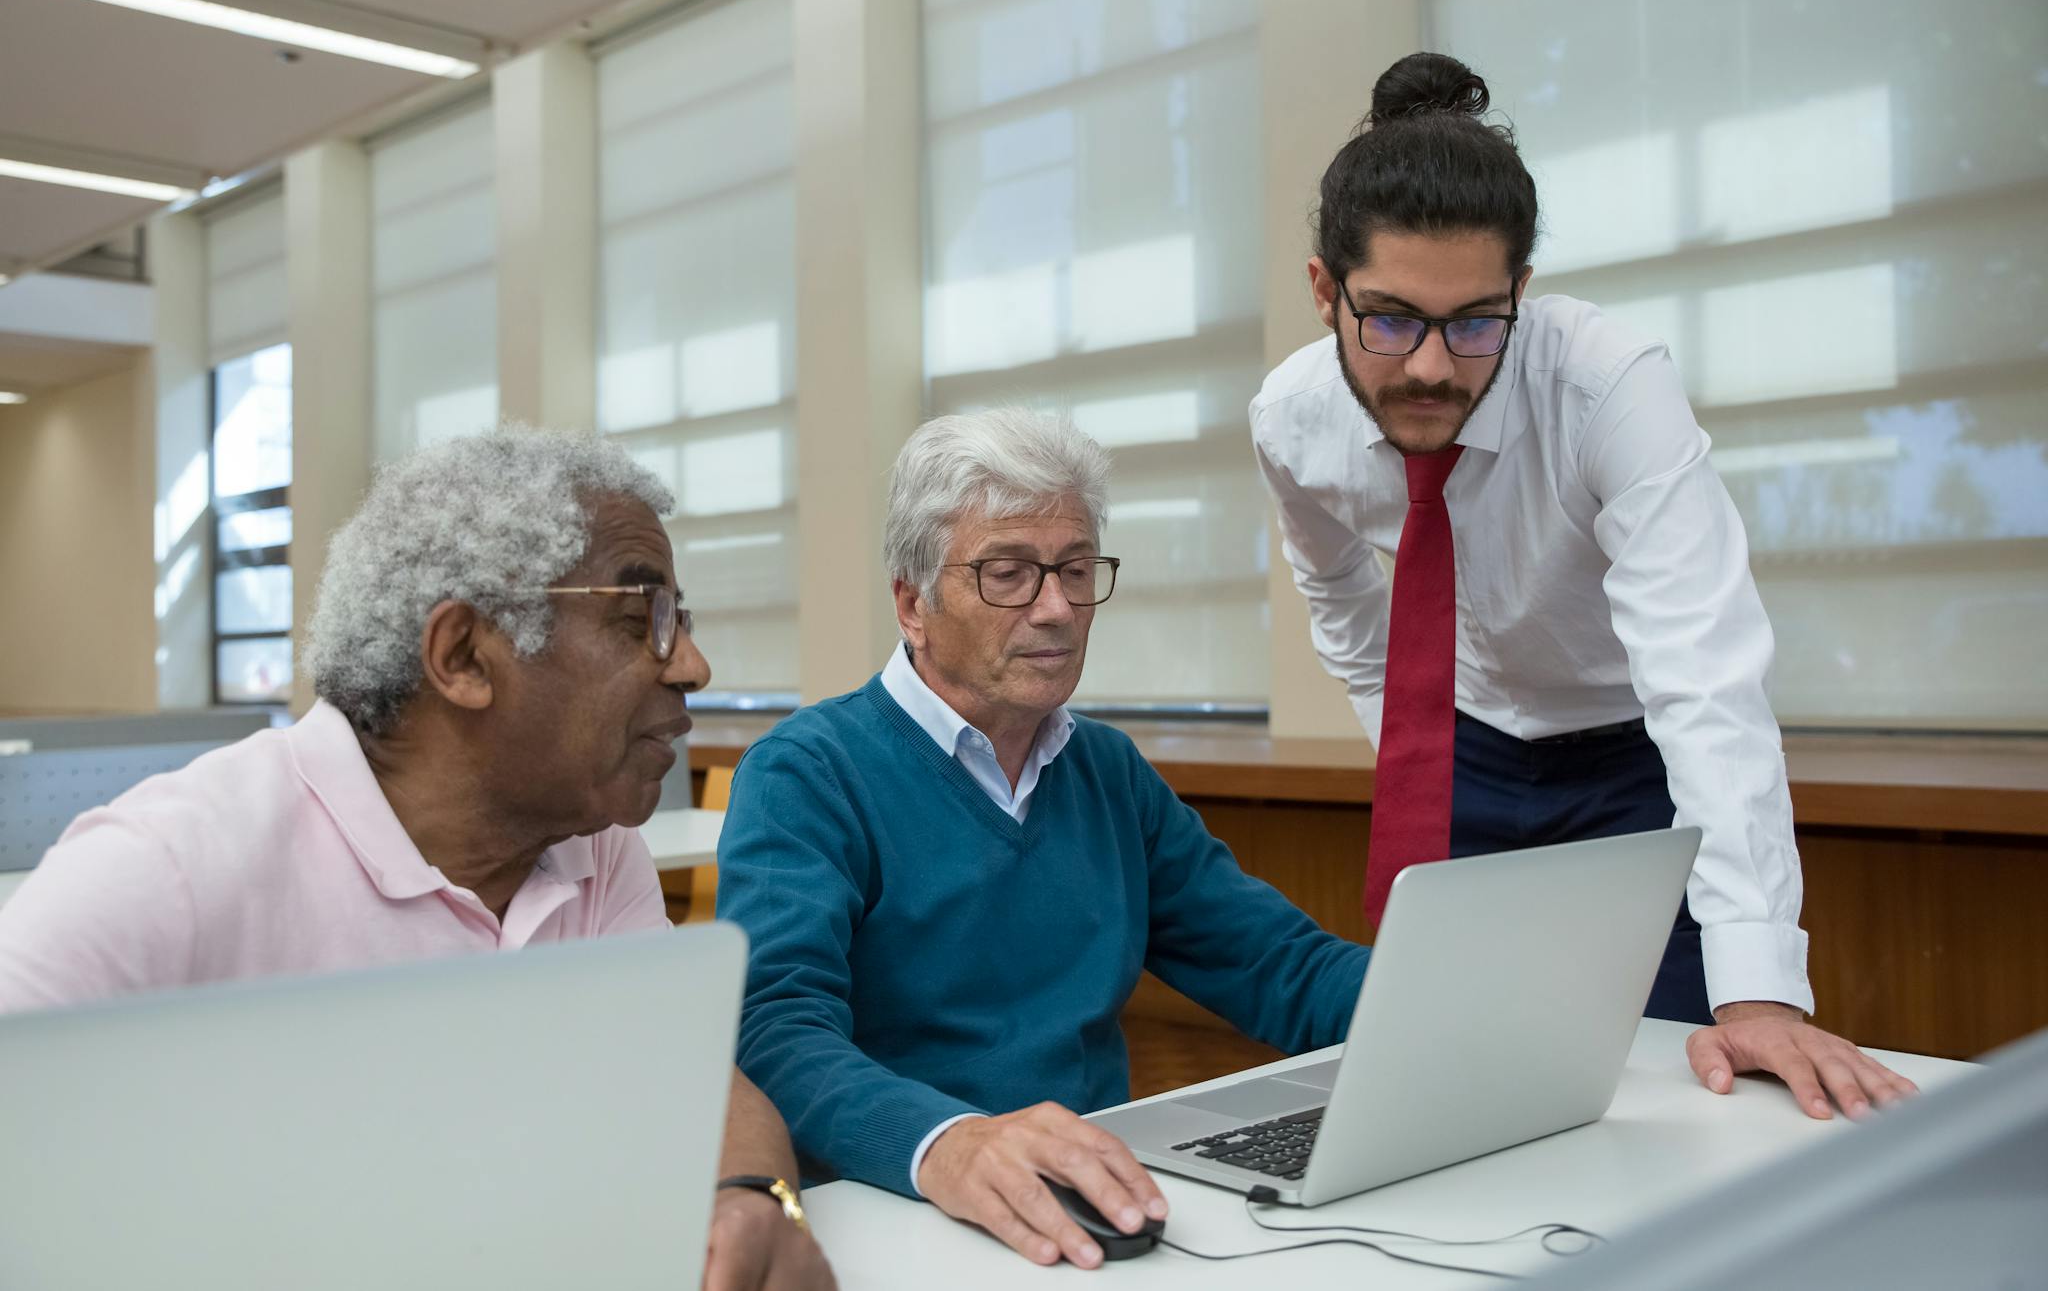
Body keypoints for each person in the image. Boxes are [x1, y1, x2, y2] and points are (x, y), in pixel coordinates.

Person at [0, 426, 834, 1291]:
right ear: (464, 656)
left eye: (680, 622)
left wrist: (754, 1199)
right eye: (641, 620)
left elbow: (697, 1082)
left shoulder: (594, 845)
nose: (691, 664)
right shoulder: (169, 864)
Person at [1250, 51, 1915, 1121]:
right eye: (1387, 319)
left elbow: (1702, 677)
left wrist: (1758, 994)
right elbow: (1338, 599)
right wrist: (1412, 749)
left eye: (1473, 321)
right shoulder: (1290, 419)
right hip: (1458, 744)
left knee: (1676, 1085)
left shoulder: (1608, 387)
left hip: (1633, 762)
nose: (1429, 366)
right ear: (1324, 290)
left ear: (1519, 289)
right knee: (1455, 1081)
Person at [715, 409, 1370, 1270]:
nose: (1057, 608)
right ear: (913, 601)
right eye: (1010, 574)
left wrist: (1440, 1007)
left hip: (1095, 1197)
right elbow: (773, 1028)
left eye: (1073, 569)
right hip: (902, 1207)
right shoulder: (807, 772)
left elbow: (1274, 961)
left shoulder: (1106, 769)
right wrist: (947, 1141)